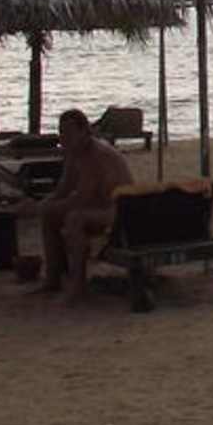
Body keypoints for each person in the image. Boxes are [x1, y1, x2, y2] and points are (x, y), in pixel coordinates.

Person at [33, 107, 132, 299]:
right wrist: (43, 204)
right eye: (62, 132)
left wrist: (50, 207)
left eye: (69, 132)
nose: (64, 138)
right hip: (99, 207)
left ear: (84, 132)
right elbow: (64, 189)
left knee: (75, 219)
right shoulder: (74, 153)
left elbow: (83, 197)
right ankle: (53, 278)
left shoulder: (96, 154)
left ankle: (78, 285)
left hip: (119, 209)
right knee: (48, 213)